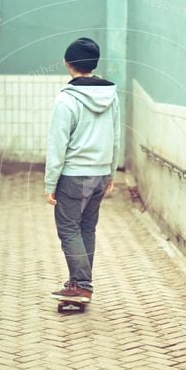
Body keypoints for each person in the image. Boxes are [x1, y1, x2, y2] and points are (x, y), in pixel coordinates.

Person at [45, 37, 120, 303]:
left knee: (68, 228)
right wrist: (111, 172)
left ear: (68, 64)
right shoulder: (111, 95)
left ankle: (82, 286)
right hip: (99, 174)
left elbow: (57, 145)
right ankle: (80, 282)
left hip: (75, 176)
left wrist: (50, 183)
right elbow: (115, 136)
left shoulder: (66, 100)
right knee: (87, 227)